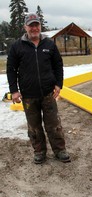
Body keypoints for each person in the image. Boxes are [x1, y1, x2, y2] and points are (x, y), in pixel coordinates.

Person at [6, 13, 70, 164]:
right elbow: (11, 69)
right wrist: (14, 90)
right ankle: (39, 151)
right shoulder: (17, 46)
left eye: (36, 25)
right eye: (31, 25)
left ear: (40, 26)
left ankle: (59, 150)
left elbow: (58, 65)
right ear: (25, 27)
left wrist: (58, 84)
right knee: (34, 127)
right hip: (28, 95)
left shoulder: (49, 44)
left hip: (48, 93)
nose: (34, 28)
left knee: (54, 124)